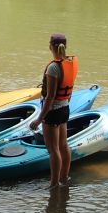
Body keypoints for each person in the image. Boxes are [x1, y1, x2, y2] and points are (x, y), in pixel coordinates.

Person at [30, 33, 79, 188]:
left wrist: (39, 119)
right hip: (65, 108)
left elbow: (50, 97)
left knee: (53, 150)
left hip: (52, 112)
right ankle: (64, 178)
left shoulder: (53, 67)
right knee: (64, 145)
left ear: (51, 46)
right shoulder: (69, 62)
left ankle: (53, 184)